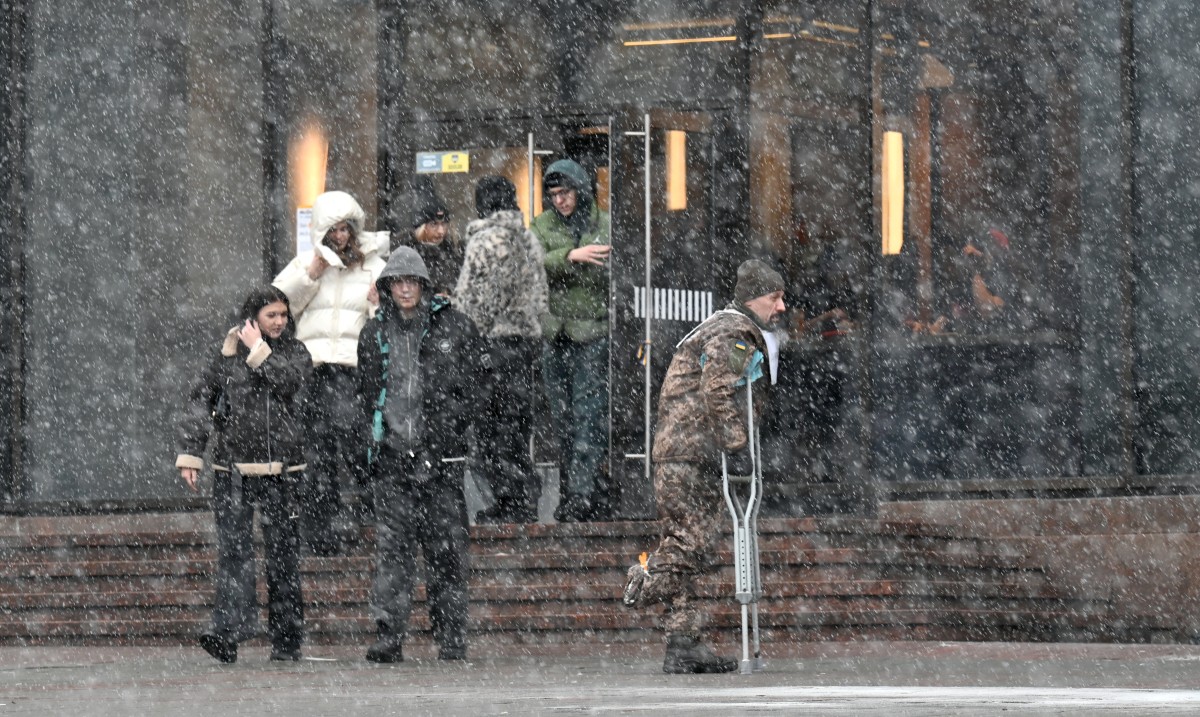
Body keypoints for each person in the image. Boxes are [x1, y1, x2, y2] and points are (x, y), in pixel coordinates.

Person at [623, 260, 786, 674]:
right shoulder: (733, 332)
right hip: (690, 454)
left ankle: (683, 643)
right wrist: (736, 444)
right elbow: (717, 390)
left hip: (684, 452)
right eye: (774, 298)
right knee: (688, 546)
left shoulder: (722, 325)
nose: (781, 306)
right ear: (753, 298)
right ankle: (642, 581)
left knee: (689, 545)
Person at [358, 246, 481, 663]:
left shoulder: (456, 327)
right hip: (393, 458)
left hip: (441, 461)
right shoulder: (373, 334)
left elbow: (476, 388)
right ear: (387, 287)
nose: (406, 289)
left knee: (447, 551)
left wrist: (446, 438)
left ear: (424, 285)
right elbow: (366, 395)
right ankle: (388, 635)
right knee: (393, 552)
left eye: (412, 281)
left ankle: (451, 636)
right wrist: (371, 450)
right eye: (398, 282)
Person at [175, 286, 311, 664]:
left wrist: (258, 350)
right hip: (232, 472)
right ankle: (228, 633)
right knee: (234, 554)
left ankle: (287, 640)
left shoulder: (295, 352)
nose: (279, 321)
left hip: (283, 473)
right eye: (271, 315)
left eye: (283, 314)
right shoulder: (226, 353)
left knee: (283, 557)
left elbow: (290, 385)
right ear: (253, 317)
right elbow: (200, 401)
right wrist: (191, 454)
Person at [273, 190, 389, 554]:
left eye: (345, 228)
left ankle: (367, 519)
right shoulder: (306, 263)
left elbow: (388, 320)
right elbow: (276, 307)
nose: (340, 236)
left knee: (358, 447)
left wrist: (377, 307)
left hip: (354, 370)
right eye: (333, 229)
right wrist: (310, 276)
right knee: (316, 453)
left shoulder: (373, 266)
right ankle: (320, 527)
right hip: (313, 370)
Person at [455, 175, 549, 524]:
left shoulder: (486, 240)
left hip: (493, 345)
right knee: (516, 426)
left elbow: (476, 300)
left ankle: (509, 499)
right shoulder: (527, 238)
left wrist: (465, 329)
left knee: (491, 428)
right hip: (524, 344)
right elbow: (540, 296)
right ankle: (522, 497)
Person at [530, 159, 612, 522]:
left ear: (580, 191)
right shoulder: (542, 224)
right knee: (562, 418)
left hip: (593, 330)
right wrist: (570, 257)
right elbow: (531, 262)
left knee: (588, 414)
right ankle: (571, 491)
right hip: (556, 333)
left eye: (565, 193)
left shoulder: (604, 223)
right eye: (553, 195)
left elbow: (614, 270)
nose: (560, 201)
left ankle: (582, 492)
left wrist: (562, 264)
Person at [397, 179, 463, 298]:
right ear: (421, 227)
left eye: (444, 224)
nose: (441, 231)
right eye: (434, 224)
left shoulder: (453, 253)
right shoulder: (404, 253)